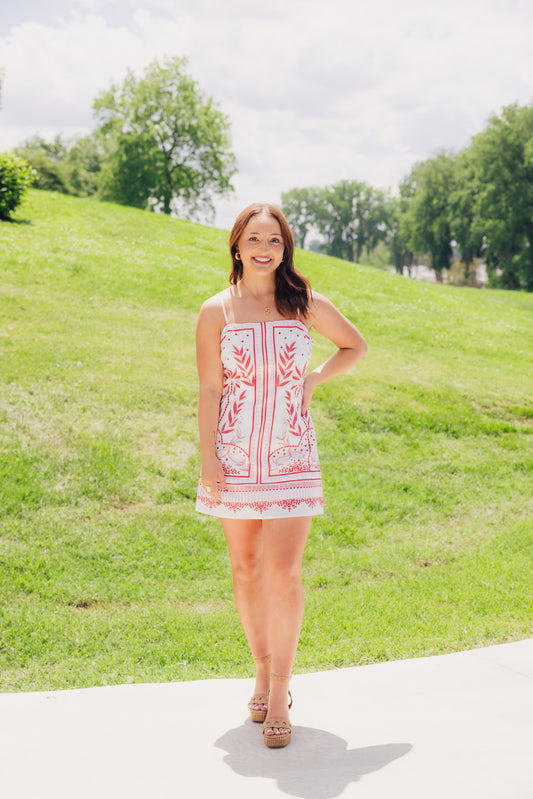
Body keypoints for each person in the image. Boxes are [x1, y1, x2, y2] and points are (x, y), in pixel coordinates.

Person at [195, 203, 367, 748]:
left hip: (293, 458)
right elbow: (209, 389)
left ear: (284, 247)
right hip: (235, 457)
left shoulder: (305, 304)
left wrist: (313, 381)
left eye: (274, 239)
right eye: (254, 238)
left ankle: (280, 693)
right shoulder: (215, 310)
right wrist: (208, 458)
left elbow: (354, 346)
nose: (264, 247)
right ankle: (262, 671)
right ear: (237, 246)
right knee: (246, 570)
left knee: (284, 575)